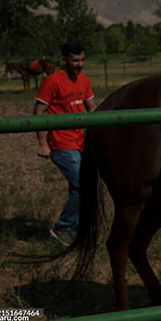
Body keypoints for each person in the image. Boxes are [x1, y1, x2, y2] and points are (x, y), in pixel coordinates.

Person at [34, 41, 96, 246]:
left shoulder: (84, 80)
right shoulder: (52, 82)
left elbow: (92, 109)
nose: (80, 64)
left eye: (82, 60)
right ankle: (64, 228)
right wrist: (43, 143)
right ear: (64, 60)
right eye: (75, 60)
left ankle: (76, 230)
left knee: (78, 186)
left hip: (79, 142)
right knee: (82, 184)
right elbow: (38, 113)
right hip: (60, 143)